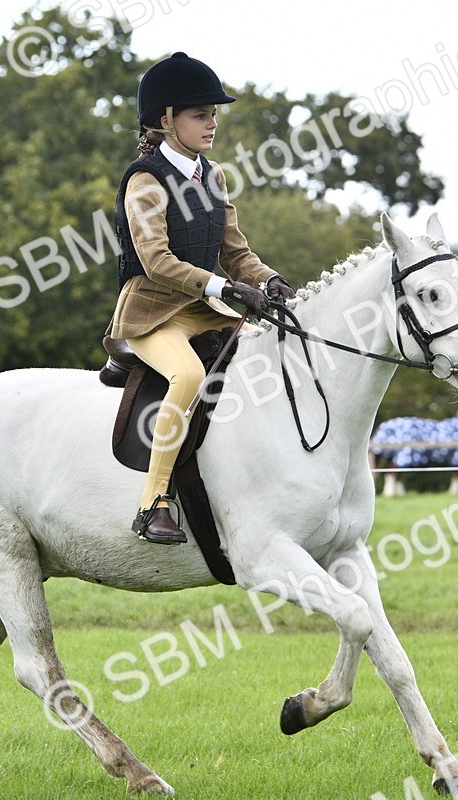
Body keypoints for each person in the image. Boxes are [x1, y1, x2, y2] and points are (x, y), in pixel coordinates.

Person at [106, 52, 294, 545]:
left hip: (201, 308)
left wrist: (269, 280)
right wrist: (227, 289)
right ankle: (153, 503)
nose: (212, 124)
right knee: (188, 374)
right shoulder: (145, 180)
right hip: (150, 312)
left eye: (214, 114)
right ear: (166, 120)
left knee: (266, 350)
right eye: (200, 114)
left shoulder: (213, 177)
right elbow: (157, 261)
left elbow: (236, 252)